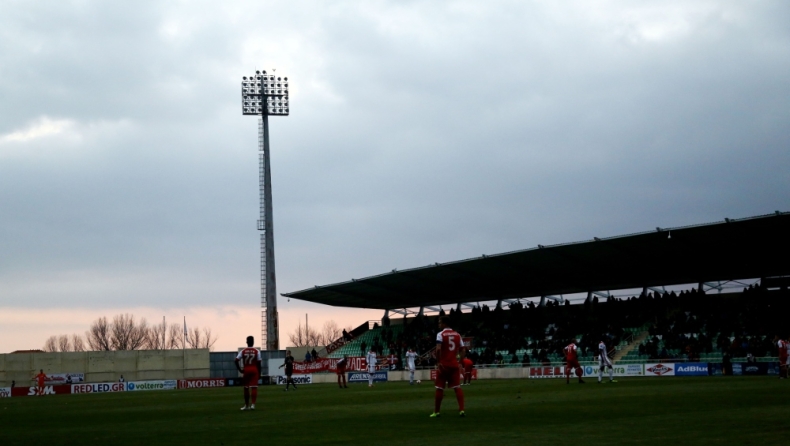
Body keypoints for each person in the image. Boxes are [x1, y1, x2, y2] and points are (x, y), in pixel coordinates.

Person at [431, 316, 465, 418]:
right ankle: (462, 410)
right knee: (457, 387)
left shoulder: (440, 334)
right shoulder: (457, 335)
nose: (439, 324)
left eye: (440, 322)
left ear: (444, 324)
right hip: (454, 365)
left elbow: (438, 349)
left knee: (439, 387)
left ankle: (436, 412)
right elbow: (463, 350)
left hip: (444, 365)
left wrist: (438, 362)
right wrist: (460, 362)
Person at [235, 336, 262, 410]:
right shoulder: (257, 351)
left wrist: (240, 370)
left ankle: (246, 406)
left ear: (247, 342)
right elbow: (259, 363)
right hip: (254, 370)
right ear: (253, 342)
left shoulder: (243, 351)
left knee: (246, 388)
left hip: (246, 370)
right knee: (254, 387)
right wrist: (259, 373)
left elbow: (236, 360)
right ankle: (253, 405)